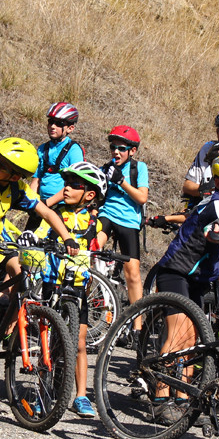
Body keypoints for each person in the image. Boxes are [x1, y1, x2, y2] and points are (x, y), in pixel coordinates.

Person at [150, 152, 219, 424]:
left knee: (194, 342)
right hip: (177, 271)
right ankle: (161, 399)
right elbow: (215, 234)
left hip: (198, 278)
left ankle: (183, 398)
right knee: (178, 336)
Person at [25, 161, 109, 419]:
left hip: (77, 285)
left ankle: (81, 395)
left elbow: (99, 242)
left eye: (74, 185)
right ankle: (43, 391)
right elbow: (40, 226)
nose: (67, 188)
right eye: (66, 184)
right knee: (47, 340)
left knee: (80, 343)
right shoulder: (56, 211)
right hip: (52, 282)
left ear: (90, 194)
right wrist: (34, 237)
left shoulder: (95, 219)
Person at [0, 136, 77, 276]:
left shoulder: (17, 188)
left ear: (15, 177)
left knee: (21, 273)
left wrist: (67, 238)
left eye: (2, 165)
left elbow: (46, 213)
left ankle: (3, 298)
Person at [99, 125, 149, 327]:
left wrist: (121, 182)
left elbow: (142, 197)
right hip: (107, 215)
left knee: (133, 274)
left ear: (132, 151)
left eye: (121, 148)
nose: (116, 152)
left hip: (128, 221)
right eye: (113, 147)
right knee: (90, 250)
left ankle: (137, 326)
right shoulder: (106, 167)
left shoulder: (139, 168)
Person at [30, 102, 84, 208]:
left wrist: (47, 203)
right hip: (42, 203)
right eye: (51, 122)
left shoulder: (74, 150)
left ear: (70, 128)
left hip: (62, 205)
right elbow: (36, 180)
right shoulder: (43, 149)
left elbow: (75, 184)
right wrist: (31, 201)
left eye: (59, 123)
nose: (53, 126)